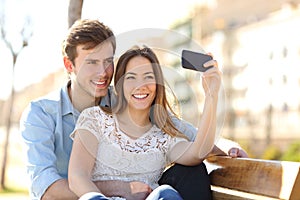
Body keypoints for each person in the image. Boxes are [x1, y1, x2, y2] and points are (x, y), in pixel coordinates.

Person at [20, 19, 247, 200]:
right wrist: (118, 189)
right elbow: (48, 190)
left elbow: (188, 134)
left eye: (108, 61)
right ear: (69, 65)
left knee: (186, 176)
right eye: (91, 61)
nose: (103, 72)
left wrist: (229, 146)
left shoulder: (127, 100)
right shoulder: (40, 115)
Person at [68, 45, 221, 200]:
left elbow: (198, 152)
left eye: (148, 77)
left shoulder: (163, 137)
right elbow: (77, 177)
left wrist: (211, 95)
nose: (140, 86)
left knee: (165, 194)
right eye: (131, 77)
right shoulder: (95, 119)